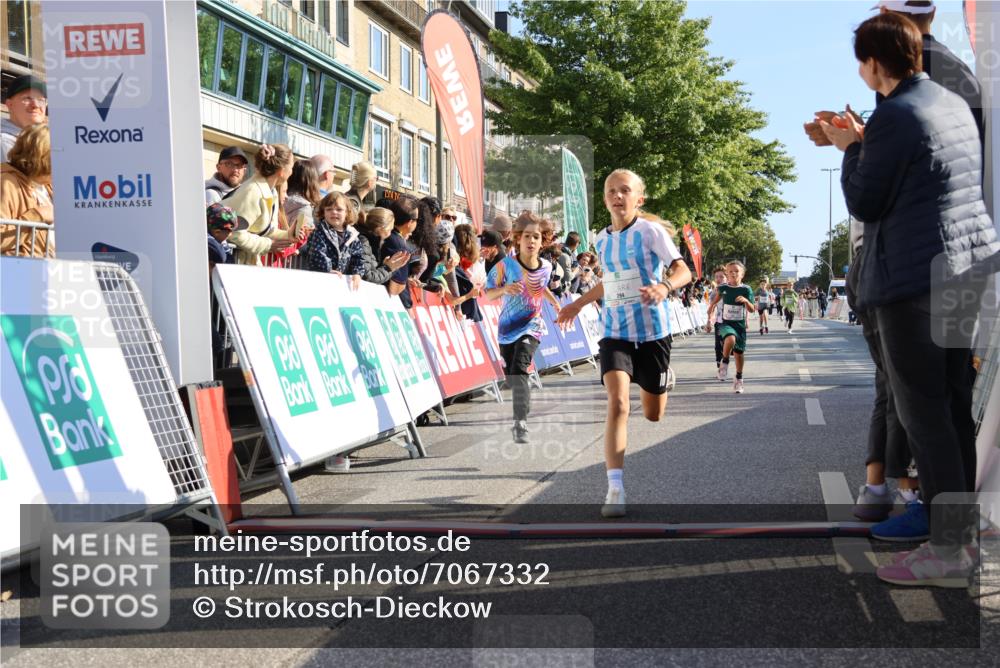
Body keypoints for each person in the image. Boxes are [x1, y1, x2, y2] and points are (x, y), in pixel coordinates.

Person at [820, 12, 998, 587]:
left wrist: (850, 148)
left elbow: (867, 202)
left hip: (914, 278)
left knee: (923, 414)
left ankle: (950, 552)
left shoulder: (894, 114)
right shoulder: (948, 103)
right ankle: (959, 538)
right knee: (952, 407)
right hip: (967, 268)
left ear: (873, 64)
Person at [556, 169, 691, 518]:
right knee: (617, 404)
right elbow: (610, 282)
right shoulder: (600, 240)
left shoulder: (650, 232)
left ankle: (663, 378)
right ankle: (615, 487)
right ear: (605, 199)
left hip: (652, 333)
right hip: (614, 332)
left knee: (653, 414)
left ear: (639, 198)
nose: (618, 196)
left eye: (625, 191)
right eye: (611, 191)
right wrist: (578, 303)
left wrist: (664, 287)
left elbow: (683, 270)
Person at [485, 212, 561, 444]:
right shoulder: (504, 266)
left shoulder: (547, 267)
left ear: (543, 241)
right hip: (507, 329)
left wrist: (555, 303)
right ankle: (519, 402)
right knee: (512, 374)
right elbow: (488, 293)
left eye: (536, 237)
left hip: (533, 325)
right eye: (527, 236)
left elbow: (540, 286)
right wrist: (505, 289)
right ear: (518, 238)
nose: (531, 241)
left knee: (520, 368)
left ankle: (520, 421)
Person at [226, 144, 299, 265]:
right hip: (231, 263)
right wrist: (268, 245)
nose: (292, 172)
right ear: (281, 171)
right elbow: (234, 233)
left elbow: (267, 231)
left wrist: (288, 234)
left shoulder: (271, 192)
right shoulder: (253, 191)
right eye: (291, 167)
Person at [1, 123, 53, 258]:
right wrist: (38, 215)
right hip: (23, 273)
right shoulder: (6, 183)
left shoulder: (48, 187)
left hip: (54, 271)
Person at [705, 261, 756, 393]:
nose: (733, 273)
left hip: (739, 325)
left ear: (742, 274)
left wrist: (745, 301)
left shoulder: (746, 289)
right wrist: (710, 309)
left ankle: (739, 379)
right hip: (725, 323)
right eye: (730, 271)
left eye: (736, 271)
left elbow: (751, 309)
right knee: (730, 339)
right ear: (727, 274)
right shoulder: (723, 288)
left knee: (739, 353)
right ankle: (725, 362)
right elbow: (715, 301)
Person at [303, 191, 366, 287]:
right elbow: (317, 253)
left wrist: (357, 273)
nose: (334, 212)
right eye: (329, 209)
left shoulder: (352, 236)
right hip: (319, 280)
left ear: (347, 213)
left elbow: (358, 257)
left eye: (339, 209)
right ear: (323, 212)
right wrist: (327, 269)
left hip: (340, 282)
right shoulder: (319, 232)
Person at [379, 196, 421, 309]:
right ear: (409, 222)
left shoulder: (383, 233)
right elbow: (395, 288)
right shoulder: (400, 246)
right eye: (417, 219)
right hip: (386, 304)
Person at [355, 206, 411, 286]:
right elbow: (368, 276)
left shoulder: (372, 241)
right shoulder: (364, 242)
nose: (390, 234)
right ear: (381, 229)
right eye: (389, 230)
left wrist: (385, 266)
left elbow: (371, 269)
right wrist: (389, 268)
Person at [2, 75, 46, 161]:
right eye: (28, 98)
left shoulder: (48, 141)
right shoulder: (4, 142)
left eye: (40, 100)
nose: (36, 105)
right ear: (10, 104)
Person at [708, 267, 728, 373]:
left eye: (721, 276)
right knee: (718, 345)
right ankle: (720, 367)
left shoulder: (732, 289)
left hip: (731, 322)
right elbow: (711, 308)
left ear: (726, 278)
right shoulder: (714, 293)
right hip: (719, 322)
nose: (718, 279)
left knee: (727, 345)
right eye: (716, 277)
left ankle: (724, 363)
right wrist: (708, 322)